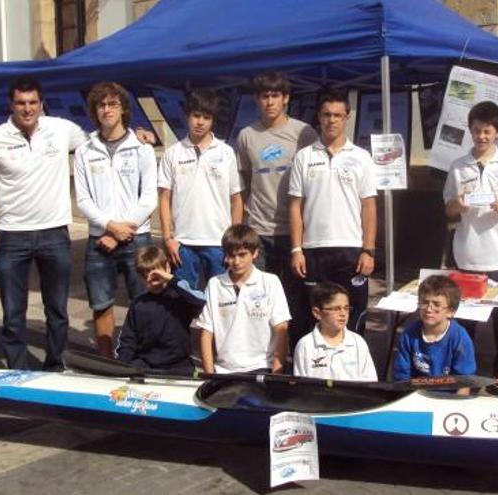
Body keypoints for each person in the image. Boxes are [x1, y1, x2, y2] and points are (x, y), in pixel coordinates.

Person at [0, 76, 89, 371]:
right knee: (13, 311)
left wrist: (139, 137)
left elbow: (97, 143)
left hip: (54, 233)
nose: (27, 108)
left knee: (57, 309)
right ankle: (18, 371)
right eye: (21, 102)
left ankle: (55, 365)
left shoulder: (61, 130)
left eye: (33, 102)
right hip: (11, 237)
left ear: (41, 103)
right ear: (11, 104)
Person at [443, 101, 498, 395]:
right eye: (477, 131)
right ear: (470, 130)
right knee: (465, 320)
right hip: (467, 253)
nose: (481, 137)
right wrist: (459, 205)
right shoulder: (458, 166)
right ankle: (466, 374)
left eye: (487, 131)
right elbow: (449, 210)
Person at [73, 82, 158, 358]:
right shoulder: (85, 151)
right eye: (101, 105)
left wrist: (122, 230)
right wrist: (110, 228)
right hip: (100, 240)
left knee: (144, 302)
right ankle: (107, 360)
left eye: (112, 104)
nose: (106, 110)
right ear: (95, 111)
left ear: (123, 109)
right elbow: (83, 200)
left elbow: (148, 199)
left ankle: (142, 358)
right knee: (101, 304)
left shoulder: (141, 147)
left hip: (137, 238)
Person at [288, 86, 377, 344]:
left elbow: (369, 206)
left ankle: (353, 368)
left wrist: (368, 250)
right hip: (314, 250)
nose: (332, 120)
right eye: (327, 114)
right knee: (313, 313)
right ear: (319, 116)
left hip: (351, 250)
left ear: (347, 117)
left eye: (338, 115)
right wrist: (296, 249)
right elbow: (295, 206)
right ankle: (313, 368)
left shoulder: (361, 157)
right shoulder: (304, 157)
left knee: (352, 313)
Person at [158, 89, 243, 294]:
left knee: (223, 301)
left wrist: (233, 241)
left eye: (206, 117)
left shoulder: (226, 152)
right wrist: (168, 238)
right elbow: (164, 199)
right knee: (183, 303)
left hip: (219, 243)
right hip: (183, 244)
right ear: (187, 116)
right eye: (196, 115)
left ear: (213, 120)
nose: (200, 122)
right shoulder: (173, 153)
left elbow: (237, 199)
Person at [237, 71, 317, 277]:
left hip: (294, 231)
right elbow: (245, 183)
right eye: (265, 96)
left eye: (275, 96)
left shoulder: (304, 133)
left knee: (292, 296)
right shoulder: (246, 136)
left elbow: (315, 180)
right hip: (258, 230)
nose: (270, 102)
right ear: (257, 100)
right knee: (259, 294)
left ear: (285, 98)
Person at [195, 224, 290, 374]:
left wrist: (276, 372)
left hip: (262, 366)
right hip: (224, 370)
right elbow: (206, 332)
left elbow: (281, 329)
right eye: (232, 256)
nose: (236, 262)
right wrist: (210, 374)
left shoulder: (270, 282)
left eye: (242, 254)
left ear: (255, 253)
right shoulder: (215, 284)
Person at [114, 246, 199, 373]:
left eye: (156, 273)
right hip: (146, 363)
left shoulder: (180, 297)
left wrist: (170, 279)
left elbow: (201, 301)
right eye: (145, 274)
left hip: (179, 363)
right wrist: (121, 366)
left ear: (167, 268)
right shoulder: (138, 304)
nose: (151, 278)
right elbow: (128, 340)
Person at [392, 275, 476, 395]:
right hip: (416, 395)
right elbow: (402, 377)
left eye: (436, 304)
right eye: (425, 303)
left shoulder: (460, 338)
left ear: (451, 311)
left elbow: (465, 382)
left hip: (449, 398)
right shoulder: (409, 335)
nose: (429, 309)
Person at [293, 282, 377, 382]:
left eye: (346, 308)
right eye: (336, 309)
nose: (343, 314)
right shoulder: (305, 345)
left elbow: (370, 382)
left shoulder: (358, 343)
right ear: (317, 313)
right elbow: (302, 387)